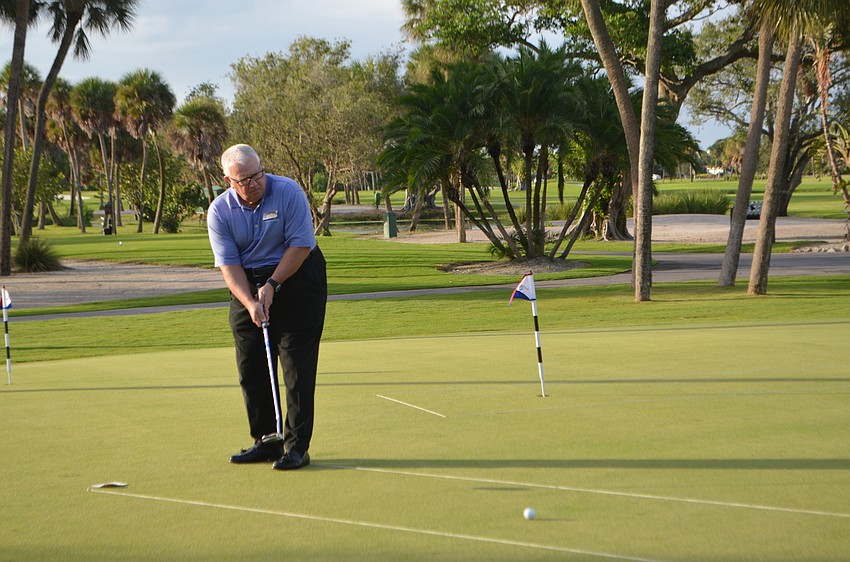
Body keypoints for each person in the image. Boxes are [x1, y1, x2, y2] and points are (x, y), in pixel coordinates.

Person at [207, 144, 327, 471]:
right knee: (251, 364)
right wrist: (250, 302)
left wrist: (272, 286)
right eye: (244, 179)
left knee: (296, 365)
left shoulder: (287, 191)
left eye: (257, 174)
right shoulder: (219, 211)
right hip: (247, 283)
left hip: (298, 277)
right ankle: (266, 440)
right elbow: (228, 266)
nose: (254, 183)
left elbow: (301, 244)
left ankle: (297, 447)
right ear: (228, 180)